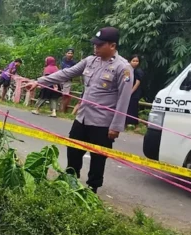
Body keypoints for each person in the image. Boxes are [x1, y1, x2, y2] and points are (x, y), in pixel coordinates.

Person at [25, 27, 133, 194]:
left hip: (102, 123)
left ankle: (92, 190)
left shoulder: (123, 68)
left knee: (98, 158)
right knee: (73, 151)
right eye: (94, 44)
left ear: (112, 46)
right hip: (82, 118)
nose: (95, 47)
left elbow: (124, 99)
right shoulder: (90, 61)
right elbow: (65, 74)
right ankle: (71, 183)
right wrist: (39, 82)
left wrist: (116, 126)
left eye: (99, 45)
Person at [126, 54, 144, 127]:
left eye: (137, 61)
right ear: (130, 61)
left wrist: (131, 92)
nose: (135, 62)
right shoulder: (128, 70)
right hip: (127, 91)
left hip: (134, 92)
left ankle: (133, 124)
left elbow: (137, 82)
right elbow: (126, 80)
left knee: (133, 107)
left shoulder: (138, 71)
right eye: (133, 61)